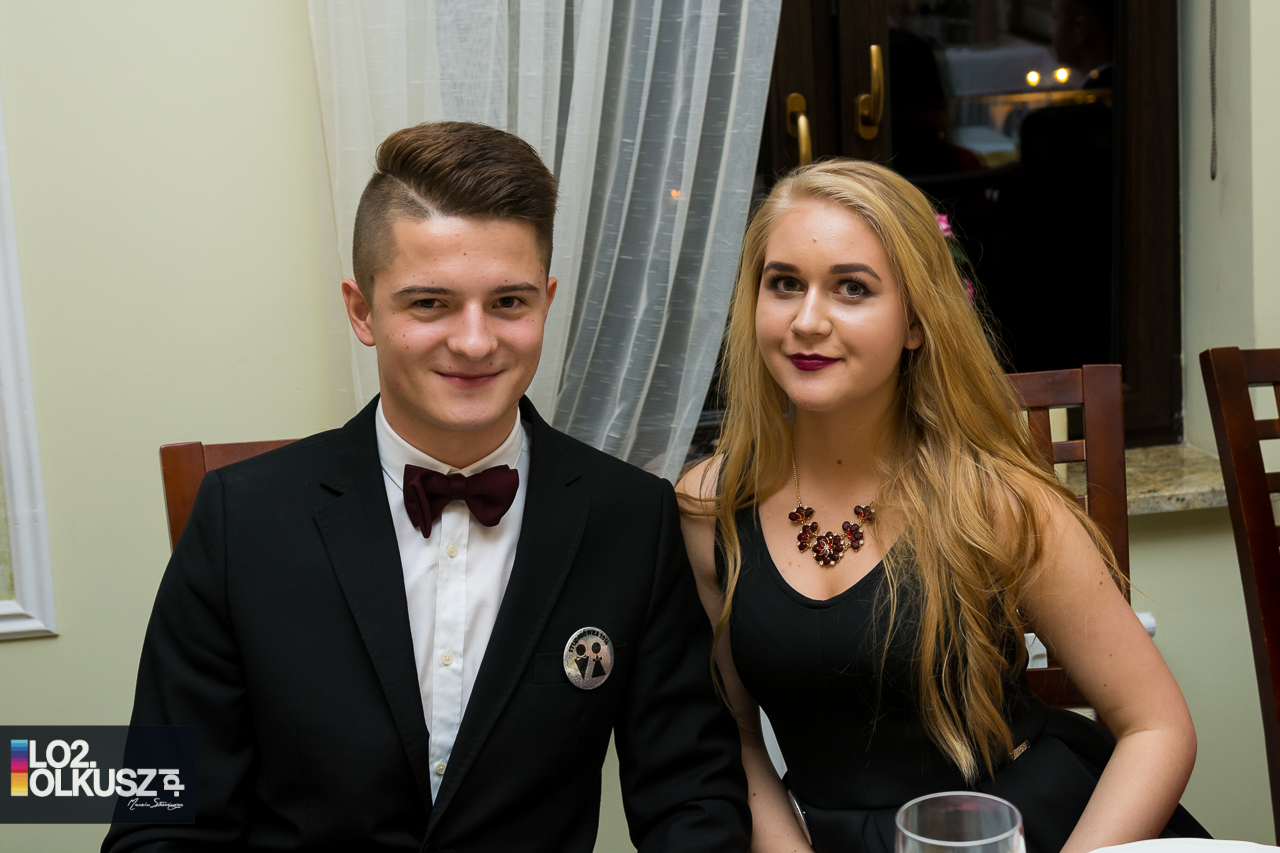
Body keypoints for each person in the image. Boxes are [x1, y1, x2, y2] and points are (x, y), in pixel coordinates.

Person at [105, 121, 750, 853]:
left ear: (546, 301)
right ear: (361, 311)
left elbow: (692, 793)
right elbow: (161, 817)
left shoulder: (632, 520)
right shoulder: (238, 521)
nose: (475, 342)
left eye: (508, 302)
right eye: (429, 303)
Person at [677, 159, 1206, 853]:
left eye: (852, 288)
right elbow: (736, 741)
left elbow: (1157, 727)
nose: (807, 320)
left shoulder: (996, 502)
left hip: (1026, 830)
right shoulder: (709, 509)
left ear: (916, 323)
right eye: (784, 284)